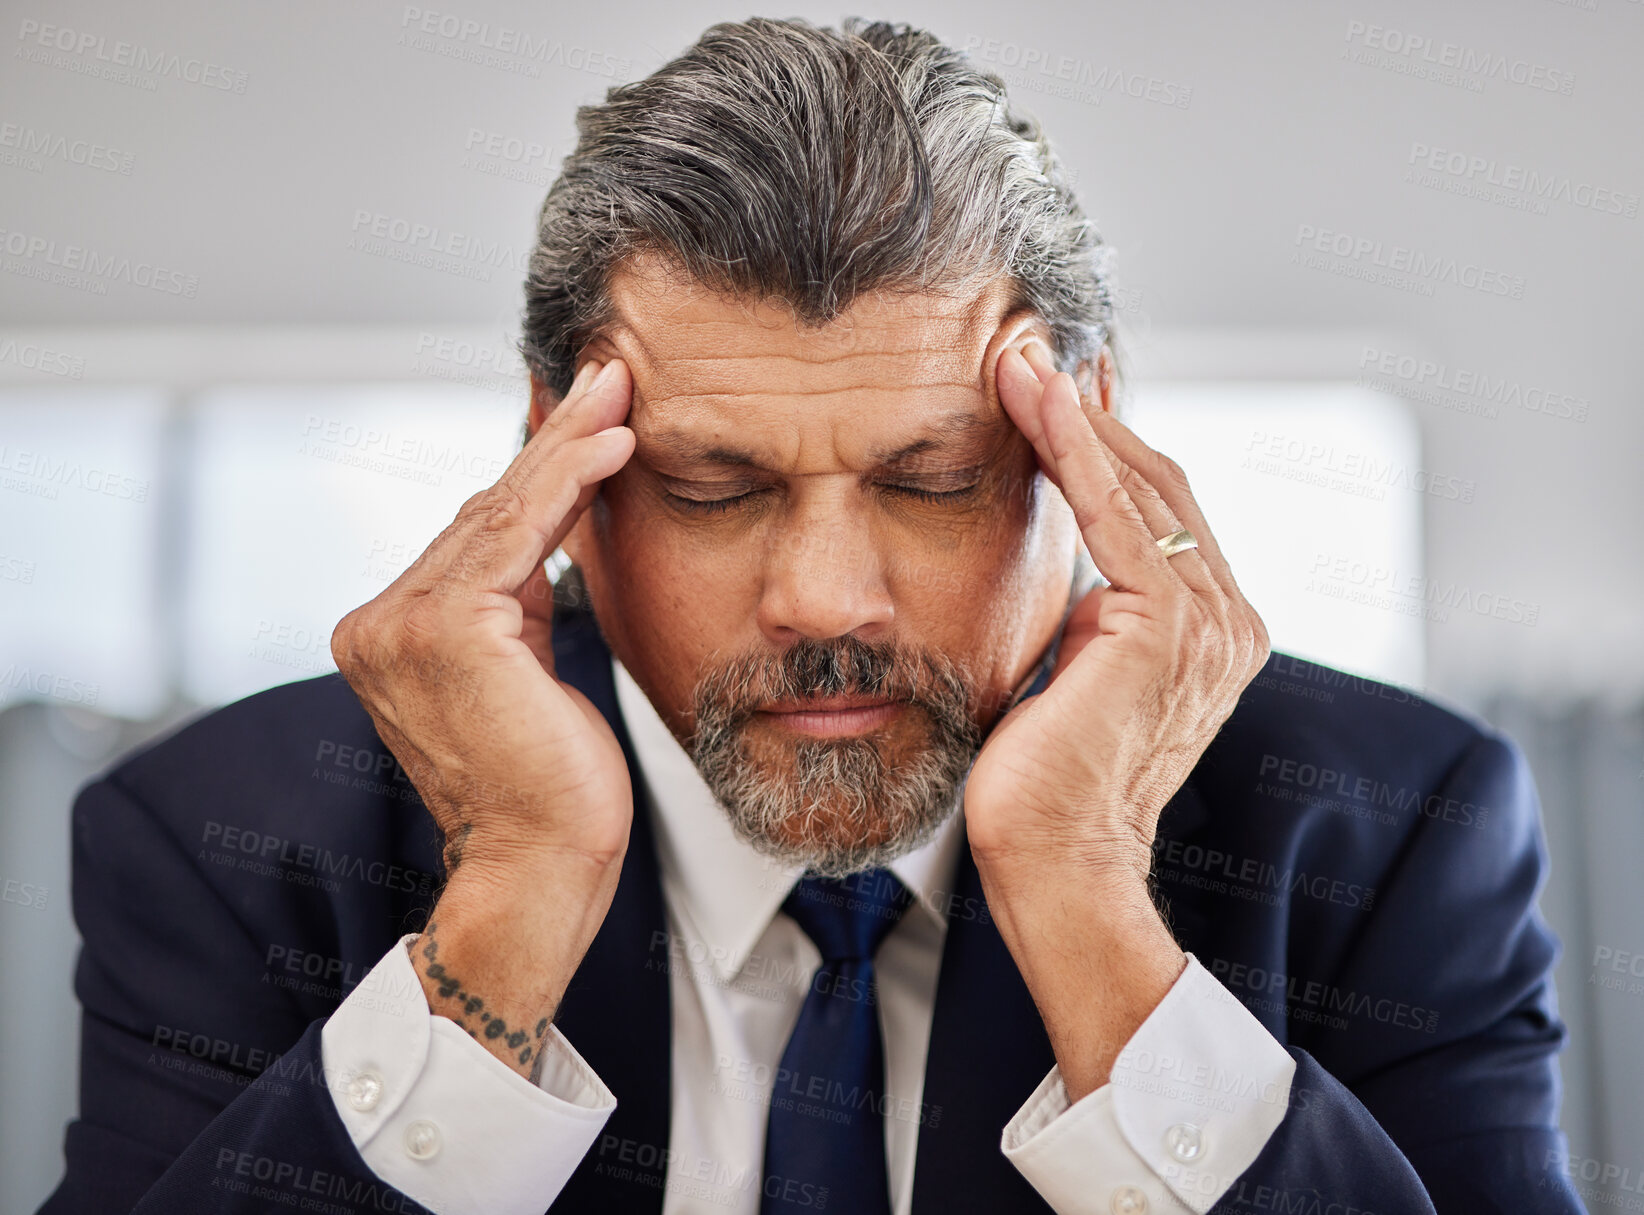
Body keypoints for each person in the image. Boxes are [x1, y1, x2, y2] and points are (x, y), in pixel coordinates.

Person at [39, 16, 1585, 1215]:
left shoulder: (1387, 832)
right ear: (553, 455)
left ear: (1087, 444)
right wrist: (505, 912)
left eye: (934, 481)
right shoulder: (228, 843)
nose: (826, 600)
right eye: (713, 486)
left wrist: (1088, 902)